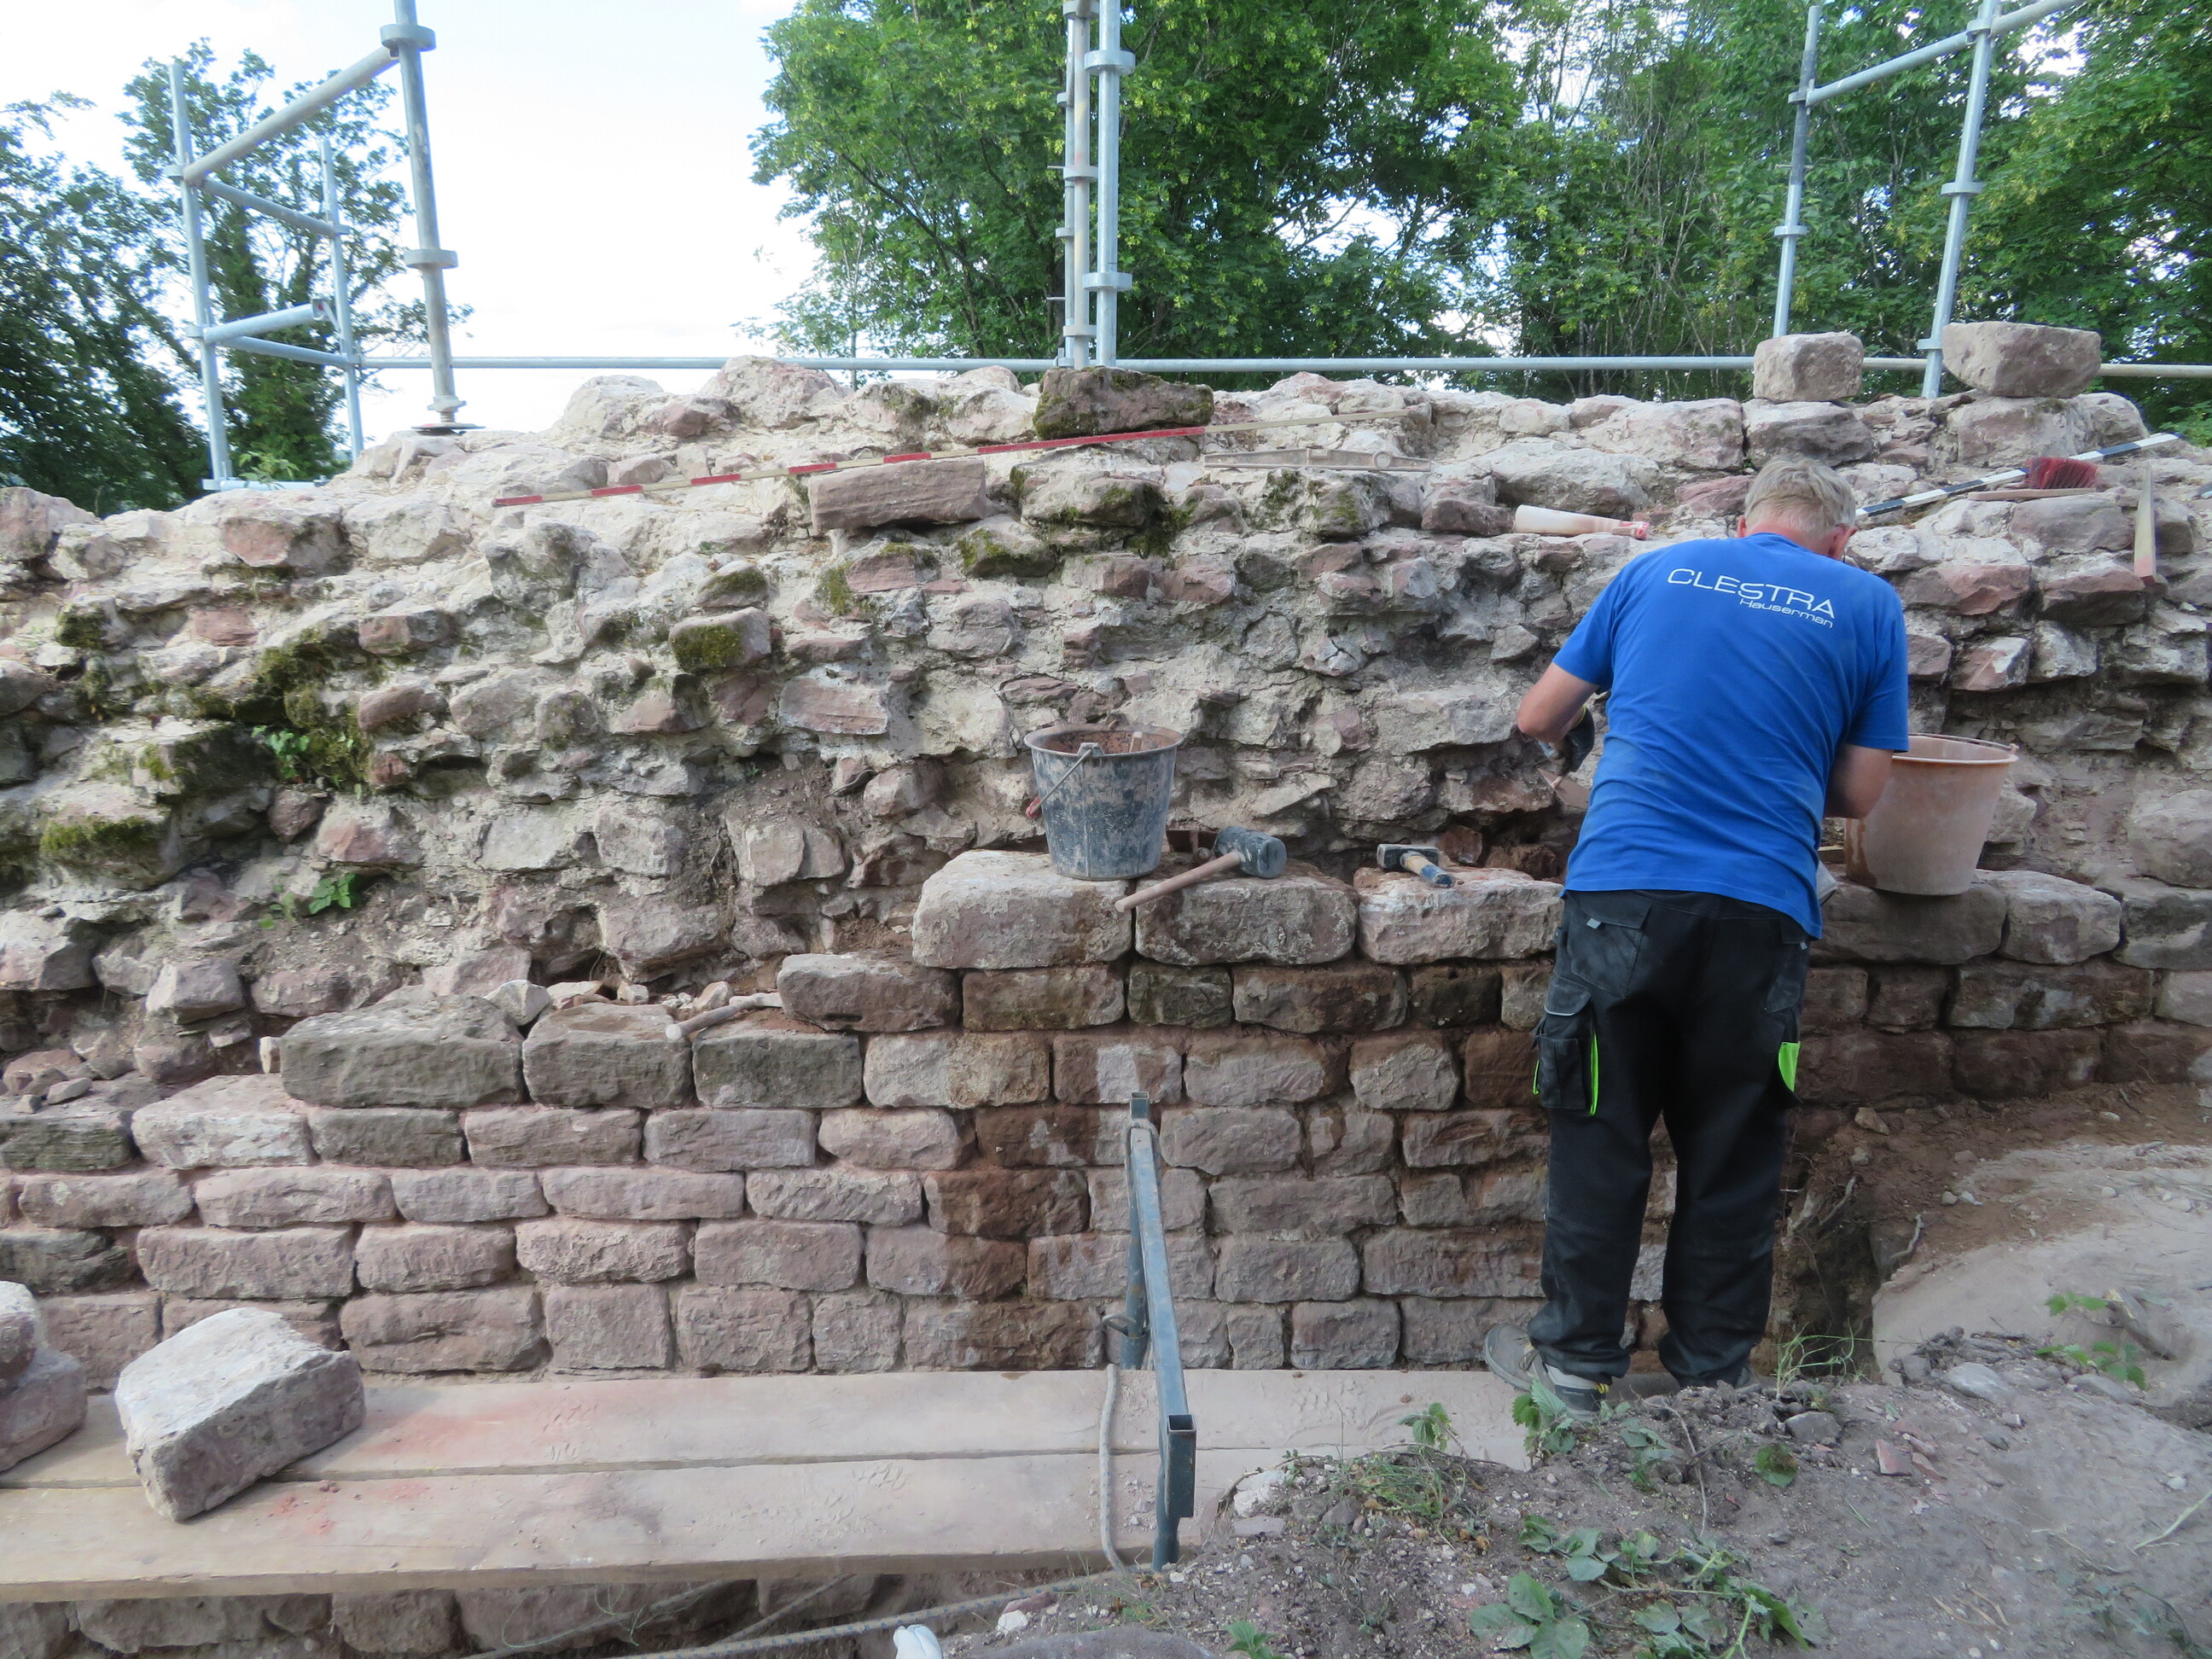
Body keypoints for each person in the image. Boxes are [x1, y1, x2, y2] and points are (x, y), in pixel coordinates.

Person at [1482, 454, 1910, 1418]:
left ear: (1746, 524)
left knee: (1601, 1135)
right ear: (1841, 540)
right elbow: (1859, 795)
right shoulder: (1867, 602)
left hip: (1623, 895)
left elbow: (1539, 717)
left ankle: (1575, 1370)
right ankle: (1713, 1383)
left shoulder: (1656, 570)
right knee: (1733, 1150)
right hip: (1761, 910)